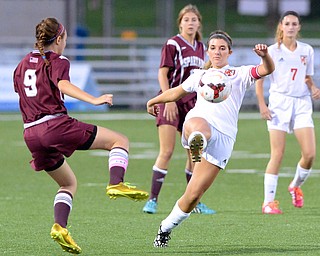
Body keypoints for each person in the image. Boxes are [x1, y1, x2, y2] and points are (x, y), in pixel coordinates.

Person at [13, 17, 149, 254]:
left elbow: (22, 91)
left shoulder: (24, 63)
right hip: (54, 126)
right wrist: (95, 99)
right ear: (59, 39)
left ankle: (60, 227)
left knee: (68, 183)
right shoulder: (58, 60)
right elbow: (63, 85)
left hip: (30, 133)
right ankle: (116, 183)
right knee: (120, 140)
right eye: (65, 39)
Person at [146, 30, 275, 247]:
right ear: (207, 51)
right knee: (199, 127)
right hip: (200, 121)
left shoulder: (240, 74)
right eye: (213, 48)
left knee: (193, 195)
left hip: (225, 137)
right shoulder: (200, 75)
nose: (217, 51)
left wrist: (265, 56)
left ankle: (165, 227)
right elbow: (176, 92)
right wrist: (153, 101)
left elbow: (268, 69)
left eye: (222, 48)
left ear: (230, 52)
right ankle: (197, 142)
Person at [142, 4, 215, 215]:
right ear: (180, 22)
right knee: (166, 151)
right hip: (172, 101)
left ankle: (195, 202)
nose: (190, 23)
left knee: (195, 154)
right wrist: (168, 101)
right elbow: (162, 73)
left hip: (192, 104)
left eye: (194, 20)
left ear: (199, 23)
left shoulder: (202, 47)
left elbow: (201, 72)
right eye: (186, 20)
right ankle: (153, 200)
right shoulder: (173, 43)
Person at [256, 11, 320, 214]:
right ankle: (268, 202)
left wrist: (313, 87)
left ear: (299, 27)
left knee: (309, 154)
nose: (291, 27)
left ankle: (295, 185)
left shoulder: (307, 50)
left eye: (295, 23)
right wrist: (262, 105)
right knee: (278, 153)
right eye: (287, 23)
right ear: (281, 27)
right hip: (279, 103)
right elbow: (259, 78)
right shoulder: (272, 51)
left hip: (301, 103)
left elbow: (306, 76)